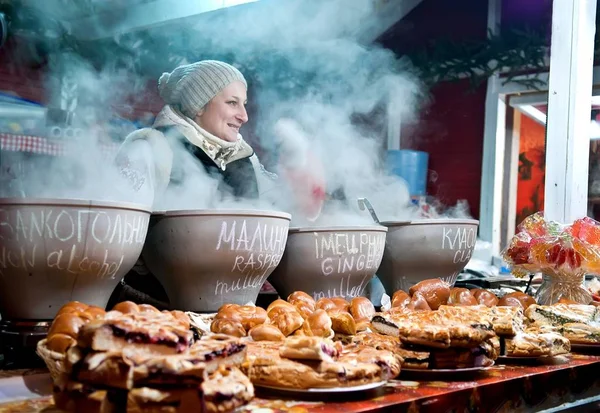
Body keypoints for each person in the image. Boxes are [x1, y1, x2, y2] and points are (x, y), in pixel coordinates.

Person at [110, 60, 278, 307]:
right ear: (198, 105)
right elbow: (117, 240)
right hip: (157, 310)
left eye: (243, 103)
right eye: (232, 103)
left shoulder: (246, 159)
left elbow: (287, 208)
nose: (244, 116)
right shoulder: (150, 149)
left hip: (239, 312)